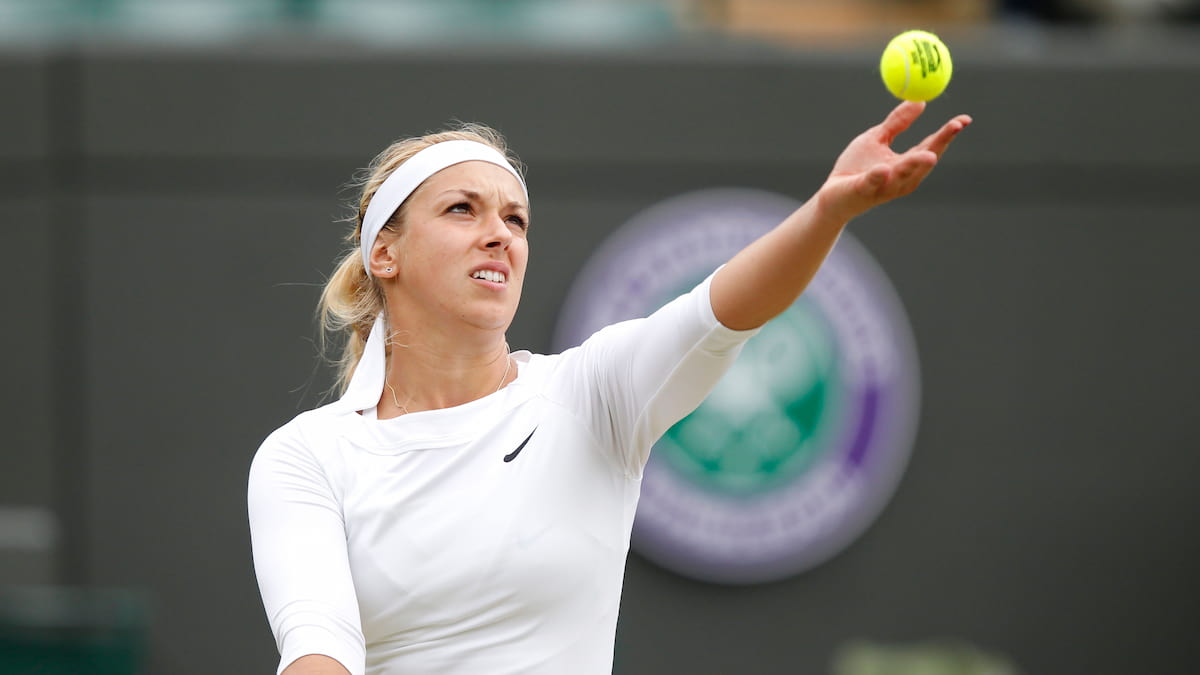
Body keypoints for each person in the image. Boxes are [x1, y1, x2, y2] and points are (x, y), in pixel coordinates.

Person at [248, 101, 972, 675]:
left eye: (516, 218)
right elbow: (320, 645)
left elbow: (720, 311)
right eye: (462, 209)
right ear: (385, 252)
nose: (499, 233)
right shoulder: (307, 456)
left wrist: (827, 210)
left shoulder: (591, 395)